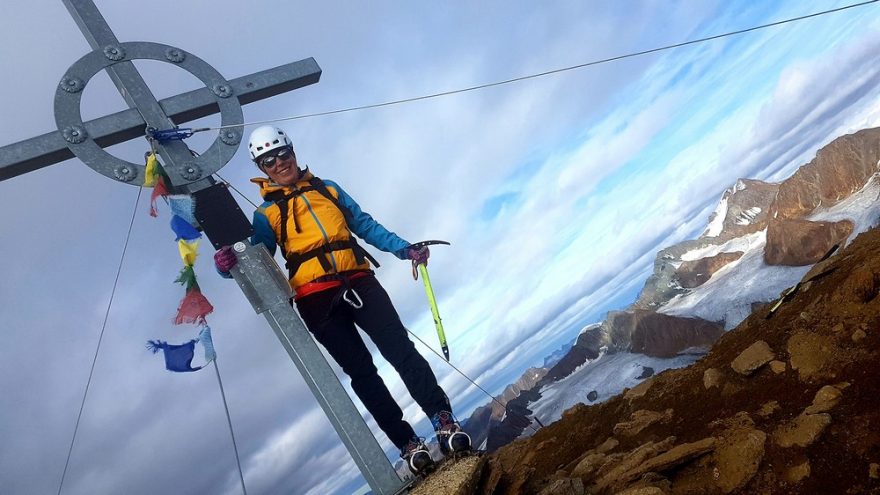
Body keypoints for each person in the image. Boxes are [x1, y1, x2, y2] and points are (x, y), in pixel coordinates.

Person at [214, 125, 468, 472]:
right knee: (362, 373)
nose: (279, 163)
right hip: (314, 299)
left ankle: (444, 423)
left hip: (359, 280)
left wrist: (404, 248)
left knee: (401, 352)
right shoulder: (265, 215)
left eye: (282, 154)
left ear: (292, 151)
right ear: (261, 169)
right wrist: (228, 267)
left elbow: (364, 224)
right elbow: (257, 258)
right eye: (268, 160)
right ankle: (407, 443)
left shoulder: (328, 189)